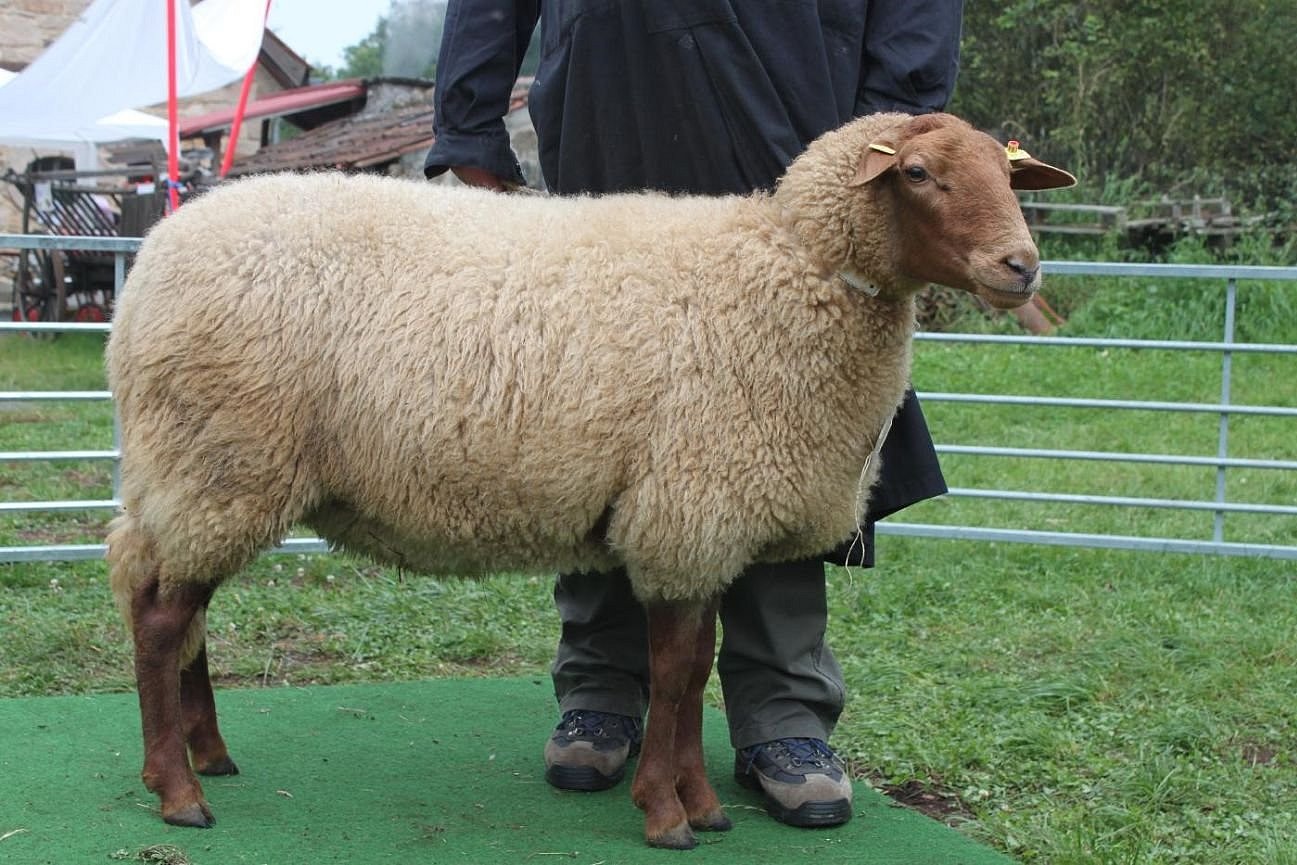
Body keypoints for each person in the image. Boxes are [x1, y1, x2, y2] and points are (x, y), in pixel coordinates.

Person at [425, 0, 961, 828]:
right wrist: (468, 121)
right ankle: (602, 684)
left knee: (785, 427)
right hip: (613, 98)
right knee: (601, 411)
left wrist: (884, 135)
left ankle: (782, 708)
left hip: (804, 120)